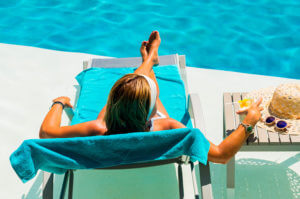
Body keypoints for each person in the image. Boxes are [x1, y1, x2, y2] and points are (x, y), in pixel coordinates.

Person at [39, 31, 263, 164]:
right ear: (149, 112)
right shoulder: (168, 126)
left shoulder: (98, 127)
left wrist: (58, 103)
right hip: (152, 140)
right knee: (143, 92)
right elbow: (222, 155)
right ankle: (149, 62)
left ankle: (148, 62)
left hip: (113, 138)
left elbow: (46, 134)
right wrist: (249, 122)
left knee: (130, 89)